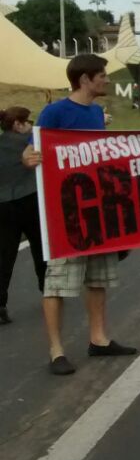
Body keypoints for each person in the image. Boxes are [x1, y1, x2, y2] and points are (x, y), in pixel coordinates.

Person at [28, 55, 136, 375]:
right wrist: (29, 158)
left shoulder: (95, 113)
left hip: (97, 209)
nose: (106, 80)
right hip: (67, 213)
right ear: (86, 79)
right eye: (102, 75)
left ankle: (99, 339)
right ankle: (56, 351)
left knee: (98, 278)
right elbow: (31, 148)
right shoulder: (55, 111)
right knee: (57, 283)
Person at [0, 107, 46, 325]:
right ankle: (48, 291)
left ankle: (0, 304)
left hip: (3, 204)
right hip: (30, 199)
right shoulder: (30, 142)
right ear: (17, 124)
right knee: (40, 246)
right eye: (28, 121)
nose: (31, 125)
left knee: (4, 255)